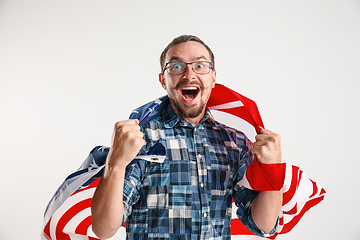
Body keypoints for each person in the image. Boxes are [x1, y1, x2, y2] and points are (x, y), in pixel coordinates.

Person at [91, 35, 283, 240]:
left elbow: (263, 224)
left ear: (213, 77)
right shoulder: (140, 138)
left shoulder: (234, 142)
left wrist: (273, 168)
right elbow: (104, 229)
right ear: (162, 80)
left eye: (200, 65)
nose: (189, 74)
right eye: (176, 66)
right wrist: (116, 163)